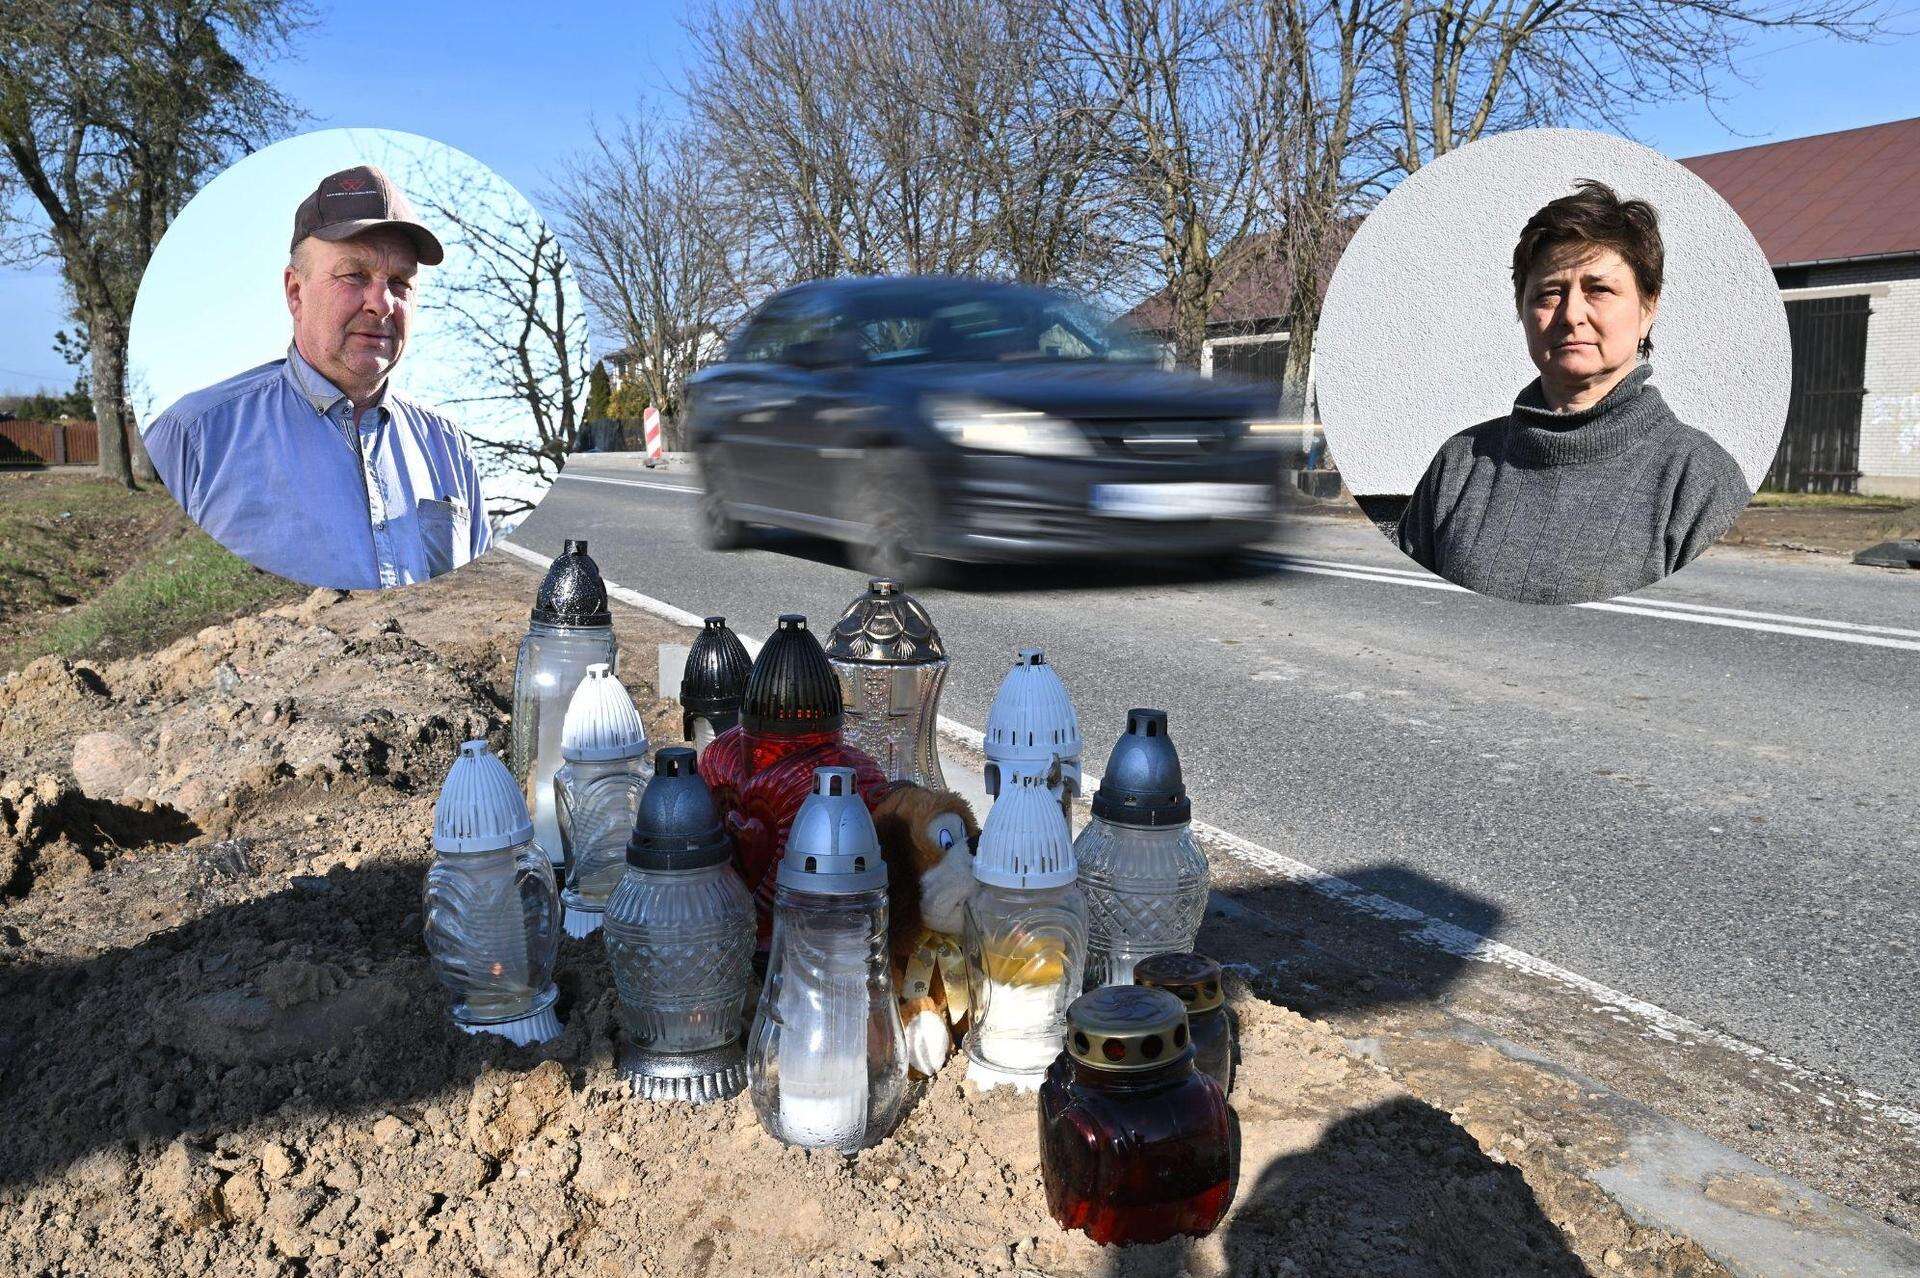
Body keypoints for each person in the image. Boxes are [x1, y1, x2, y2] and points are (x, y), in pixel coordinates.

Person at [1393, 180, 1750, 606]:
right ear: (1522, 311)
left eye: (1599, 290)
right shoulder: (1461, 463)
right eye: (1549, 293)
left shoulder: (1698, 481)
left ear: (1648, 309)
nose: (1571, 315)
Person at [145, 164, 491, 590]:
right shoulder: (196, 438)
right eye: (354, 275)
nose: (381, 304)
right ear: (295, 291)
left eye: (399, 282)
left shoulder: (449, 448)